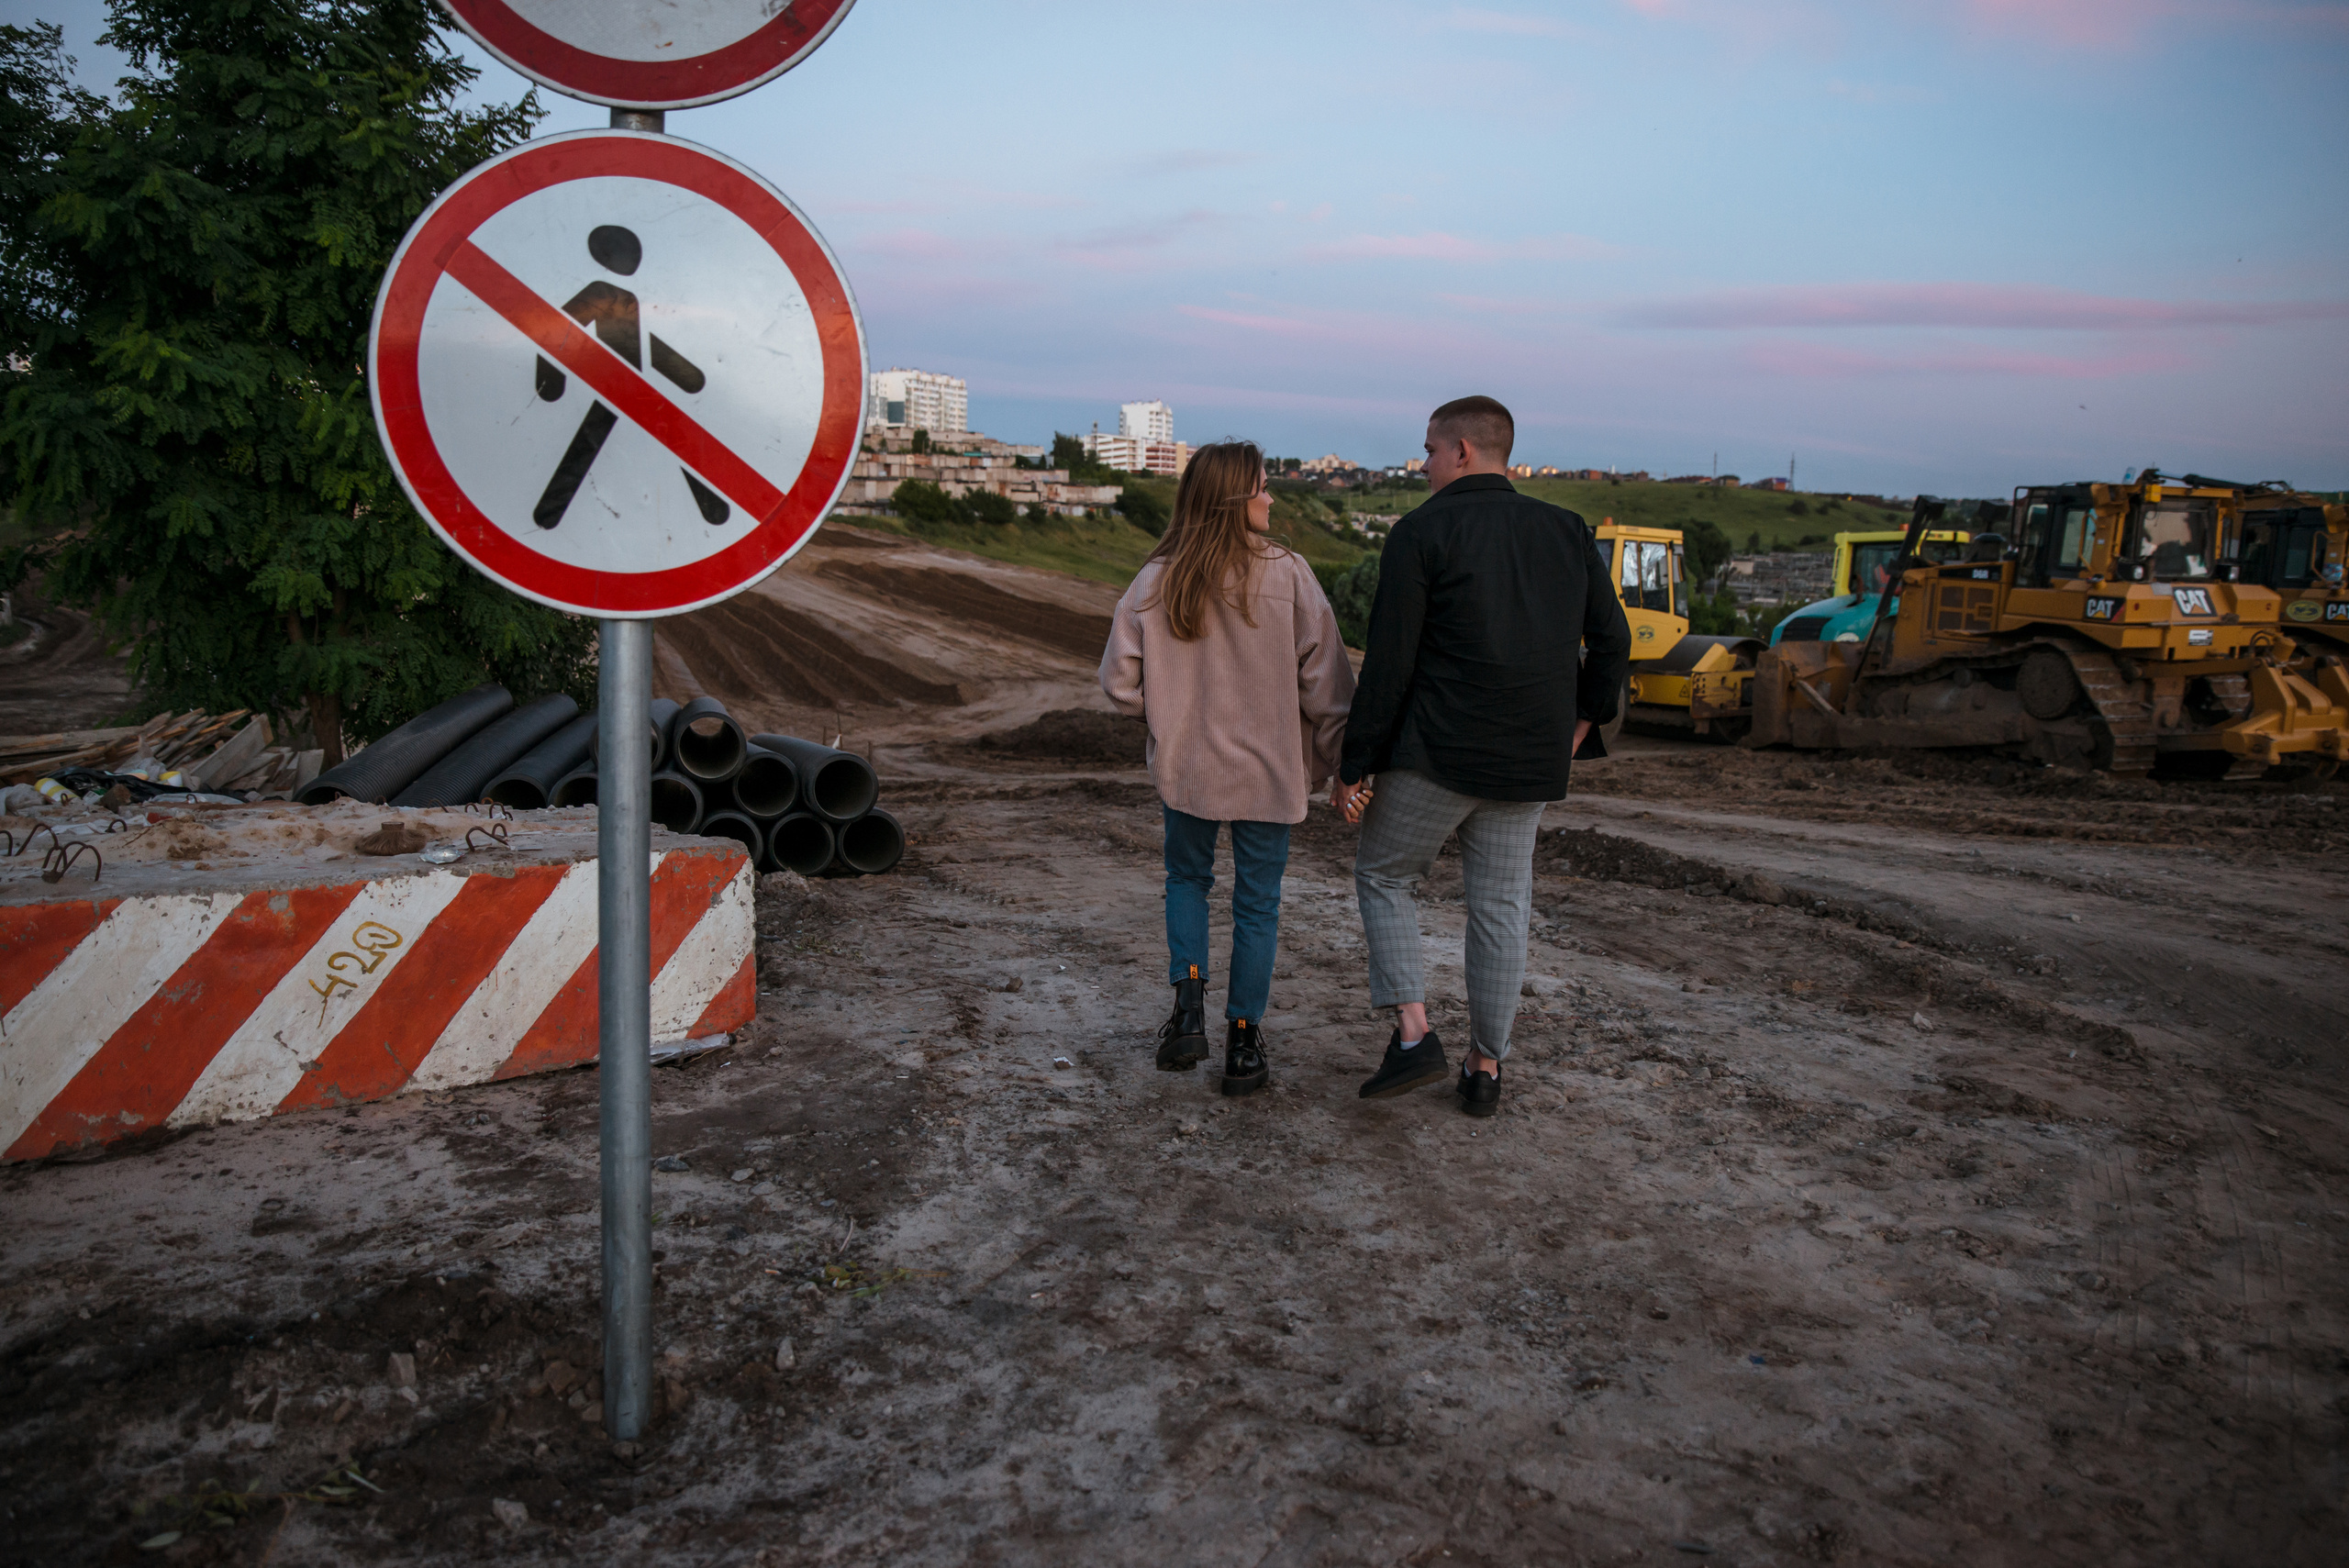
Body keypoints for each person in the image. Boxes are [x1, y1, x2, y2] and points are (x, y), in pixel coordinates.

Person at [1334, 396, 1631, 1117]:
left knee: (1383, 875)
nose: (1425, 463)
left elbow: (1390, 664)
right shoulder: (1565, 530)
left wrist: (1355, 761)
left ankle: (1414, 1033)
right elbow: (1615, 641)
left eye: (1430, 450)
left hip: (1436, 755)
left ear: (1463, 450)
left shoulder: (1421, 531)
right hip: (1526, 764)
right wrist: (1583, 723)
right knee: (1501, 908)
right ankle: (1485, 1068)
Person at [1100, 441, 1356, 1095]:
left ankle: (1188, 1007)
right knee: (1257, 904)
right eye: (1264, 486)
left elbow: (1118, 682)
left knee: (1186, 878)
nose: (1272, 497)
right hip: (1269, 773)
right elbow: (1329, 688)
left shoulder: (1158, 577)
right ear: (1236, 497)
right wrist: (1330, 763)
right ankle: (1244, 1043)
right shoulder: (1290, 575)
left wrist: (1167, 722)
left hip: (1188, 768)